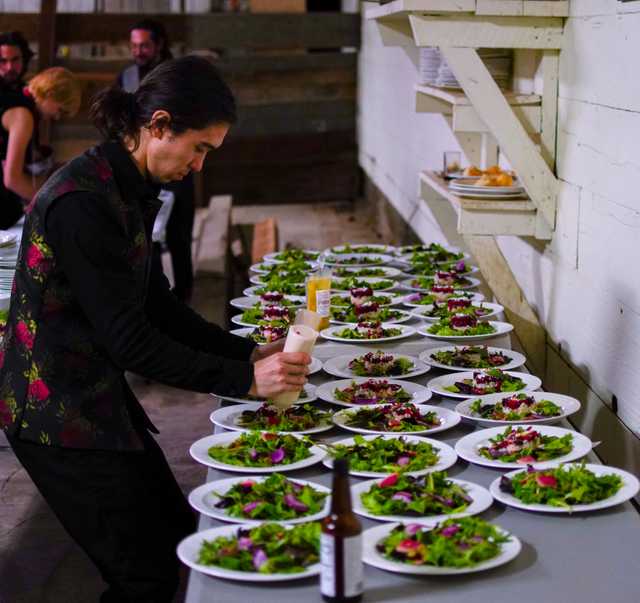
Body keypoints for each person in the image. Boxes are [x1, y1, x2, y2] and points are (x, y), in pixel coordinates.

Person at [0, 55, 310, 603]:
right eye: (199, 149)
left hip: (94, 397)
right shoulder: (82, 204)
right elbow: (133, 341)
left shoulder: (127, 186)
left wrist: (249, 351)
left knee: (174, 537)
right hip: (53, 414)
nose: (198, 166)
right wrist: (245, 380)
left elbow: (157, 306)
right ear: (159, 124)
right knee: (144, 575)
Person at [118, 18, 197, 302]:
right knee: (146, 234)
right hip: (141, 167)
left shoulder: (174, 77)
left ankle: (184, 297)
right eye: (135, 45)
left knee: (178, 234)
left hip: (175, 164)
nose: (139, 51)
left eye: (145, 45)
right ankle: (154, 297)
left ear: (159, 45)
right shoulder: (126, 77)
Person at [0, 67, 81, 229]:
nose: (57, 117)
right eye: (60, 110)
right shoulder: (24, 116)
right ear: (50, 94)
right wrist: (51, 202)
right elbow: (12, 179)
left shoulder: (19, 99)